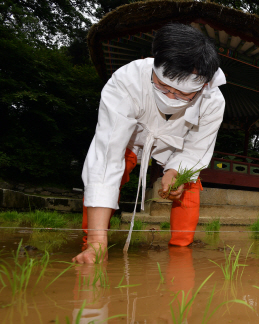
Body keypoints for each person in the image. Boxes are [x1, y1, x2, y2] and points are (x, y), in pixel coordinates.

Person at [73, 23, 226, 264]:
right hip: (132, 139)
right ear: (153, 62)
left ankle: (180, 254)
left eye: (183, 94)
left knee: (188, 188)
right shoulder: (126, 80)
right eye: (163, 86)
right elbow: (107, 155)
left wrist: (175, 170)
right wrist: (96, 242)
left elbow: (197, 147)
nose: (170, 97)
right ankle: (93, 243)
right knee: (105, 173)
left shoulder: (213, 100)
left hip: (178, 145)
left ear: (204, 85)